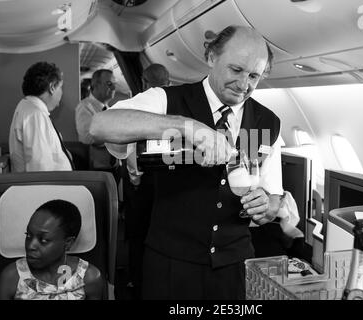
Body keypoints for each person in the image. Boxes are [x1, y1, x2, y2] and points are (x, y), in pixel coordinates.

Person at [90, 25, 298, 299]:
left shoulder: (268, 122)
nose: (244, 84)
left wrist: (267, 206)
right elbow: (99, 125)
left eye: (254, 76)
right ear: (212, 57)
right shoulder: (167, 100)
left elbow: (272, 197)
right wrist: (187, 126)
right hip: (171, 265)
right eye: (235, 70)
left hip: (233, 267)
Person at [123, 63, 170, 298]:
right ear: (169, 82)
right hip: (166, 181)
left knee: (138, 232)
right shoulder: (174, 106)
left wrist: (135, 177)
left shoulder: (139, 105)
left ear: (143, 82)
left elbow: (130, 146)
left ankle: (137, 281)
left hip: (144, 178)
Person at [0, 200, 104, 300]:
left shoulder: (89, 278)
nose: (31, 246)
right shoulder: (11, 277)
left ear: (68, 243)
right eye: (28, 235)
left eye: (43, 240)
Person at [9, 61, 74, 172]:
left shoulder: (29, 108)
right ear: (52, 87)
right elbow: (40, 168)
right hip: (49, 187)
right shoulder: (35, 115)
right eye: (60, 87)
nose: (62, 93)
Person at [75, 69, 117, 173]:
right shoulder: (85, 107)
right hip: (98, 169)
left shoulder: (110, 109)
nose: (114, 88)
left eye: (114, 84)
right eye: (109, 84)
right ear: (96, 84)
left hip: (114, 166)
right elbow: (88, 138)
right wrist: (116, 135)